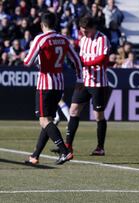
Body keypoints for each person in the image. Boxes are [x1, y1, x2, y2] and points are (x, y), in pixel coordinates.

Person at [23, 12, 82, 165]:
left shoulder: (41, 39)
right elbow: (76, 60)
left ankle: (65, 151)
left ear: (42, 25)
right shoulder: (64, 39)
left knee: (44, 121)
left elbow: (28, 62)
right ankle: (35, 156)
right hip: (59, 84)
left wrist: (31, 56)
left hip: (45, 84)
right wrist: (80, 79)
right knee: (47, 120)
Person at [53, 15, 110, 156]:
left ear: (93, 28)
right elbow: (80, 60)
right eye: (82, 30)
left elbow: (103, 59)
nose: (83, 33)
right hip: (84, 81)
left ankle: (100, 147)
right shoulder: (82, 40)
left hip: (98, 83)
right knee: (73, 111)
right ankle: (68, 145)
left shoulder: (102, 39)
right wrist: (79, 77)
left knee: (98, 116)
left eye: (86, 31)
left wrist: (86, 64)